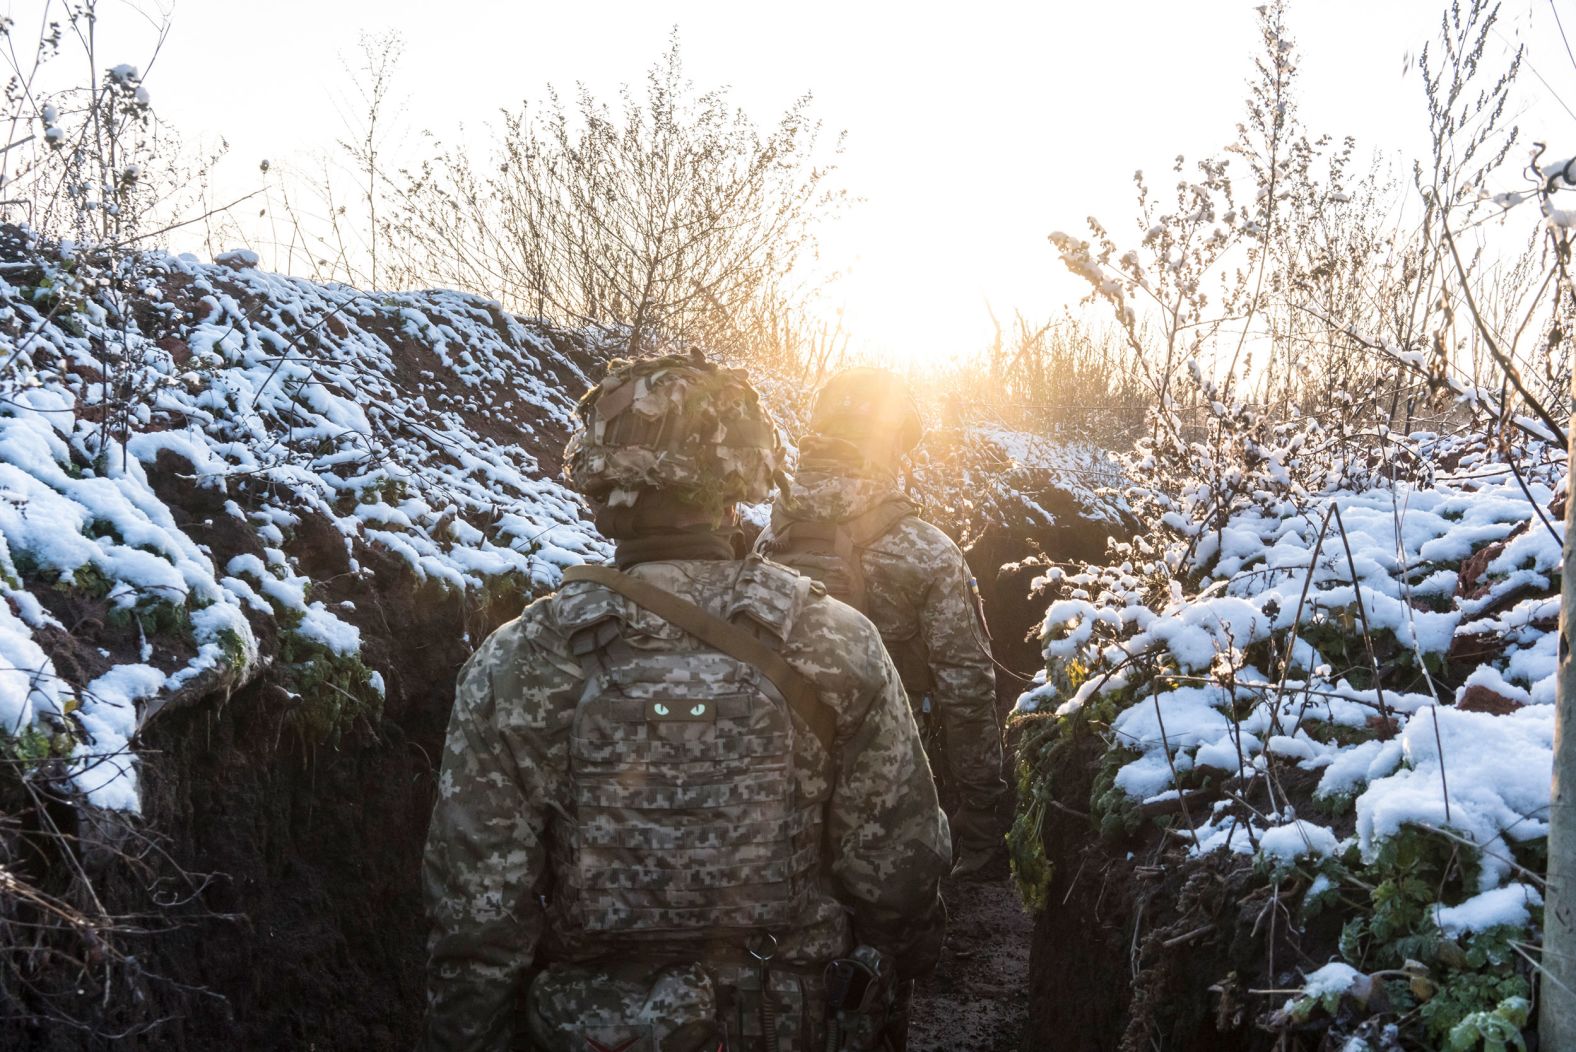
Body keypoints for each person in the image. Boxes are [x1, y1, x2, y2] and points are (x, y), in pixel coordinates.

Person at [419, 352, 950, 1052]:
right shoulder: (836, 642)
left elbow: (477, 916)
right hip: (794, 1023)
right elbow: (900, 874)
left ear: (599, 484)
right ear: (741, 479)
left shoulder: (520, 660)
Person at [756, 368, 1007, 879]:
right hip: (889, 787)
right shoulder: (928, 551)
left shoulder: (766, 540)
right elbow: (967, 690)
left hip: (766, 776)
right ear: (892, 446)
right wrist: (981, 816)